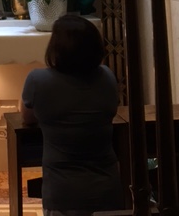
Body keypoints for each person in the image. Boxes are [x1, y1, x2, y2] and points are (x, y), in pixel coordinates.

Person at [21, 14, 124, 216]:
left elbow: (27, 118)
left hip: (62, 192)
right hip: (107, 189)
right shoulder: (107, 77)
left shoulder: (38, 80)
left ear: (56, 48)